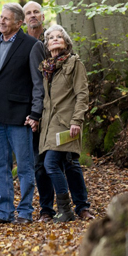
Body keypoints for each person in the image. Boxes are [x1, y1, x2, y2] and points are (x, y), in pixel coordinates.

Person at [0, 3, 44, 225]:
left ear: (18, 22)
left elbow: (38, 83)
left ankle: (25, 212)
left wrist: (35, 112)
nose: (1, 21)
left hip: (20, 115)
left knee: (24, 167)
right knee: (0, 166)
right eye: (1, 17)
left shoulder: (32, 45)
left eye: (7, 18)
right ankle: (4, 212)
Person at [38, 25, 93, 222]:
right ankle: (79, 207)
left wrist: (77, 120)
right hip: (48, 125)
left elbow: (82, 94)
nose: (54, 39)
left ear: (66, 42)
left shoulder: (74, 63)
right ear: (46, 44)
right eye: (50, 37)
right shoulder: (47, 68)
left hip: (67, 122)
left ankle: (68, 209)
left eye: (59, 36)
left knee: (52, 163)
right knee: (68, 163)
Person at [23, 1, 54, 222]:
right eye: (28, 13)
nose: (33, 16)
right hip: (28, 110)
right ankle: (46, 209)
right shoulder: (19, 43)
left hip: (53, 108)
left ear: (42, 16)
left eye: (36, 12)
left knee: (61, 160)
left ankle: (75, 205)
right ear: (23, 19)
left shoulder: (53, 38)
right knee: (38, 161)